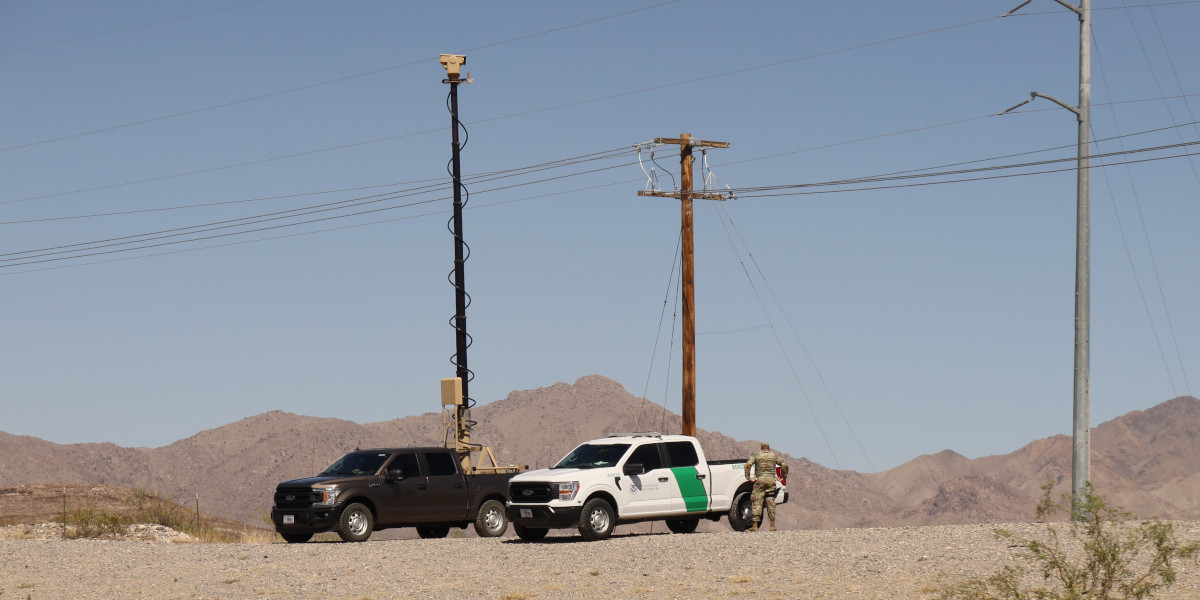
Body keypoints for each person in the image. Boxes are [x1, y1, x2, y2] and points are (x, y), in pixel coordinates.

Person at [744, 442, 788, 532]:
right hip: (771, 481)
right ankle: (772, 526)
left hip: (759, 481)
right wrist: (783, 476)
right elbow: (784, 466)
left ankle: (755, 525)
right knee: (770, 502)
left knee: (757, 502)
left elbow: (747, 465)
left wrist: (748, 477)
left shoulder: (756, 456)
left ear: (761, 448)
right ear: (769, 448)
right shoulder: (774, 456)